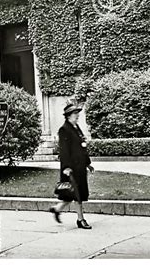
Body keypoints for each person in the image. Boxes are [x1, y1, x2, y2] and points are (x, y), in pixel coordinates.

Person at [49, 98, 94, 229]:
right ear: (69, 116)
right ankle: (81, 220)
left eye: (77, 113)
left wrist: (88, 163)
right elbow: (64, 151)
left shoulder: (76, 128)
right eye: (75, 113)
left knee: (71, 193)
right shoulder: (64, 130)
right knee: (77, 194)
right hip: (71, 168)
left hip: (80, 167)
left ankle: (56, 209)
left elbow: (82, 147)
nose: (77, 115)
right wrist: (66, 167)